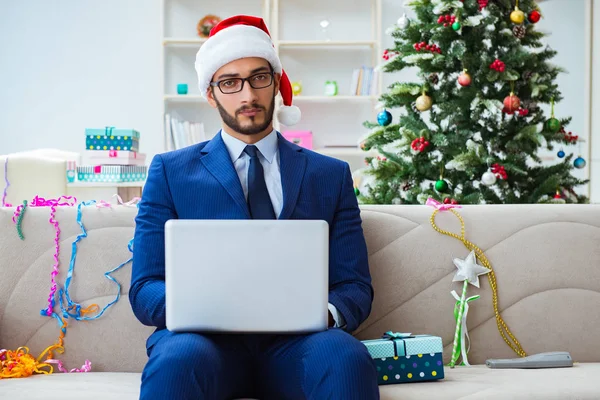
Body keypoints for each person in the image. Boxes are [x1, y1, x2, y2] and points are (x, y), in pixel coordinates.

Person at [129, 14, 379, 400]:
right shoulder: (170, 172)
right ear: (211, 94)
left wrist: (320, 314)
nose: (248, 96)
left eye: (259, 78)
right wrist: (194, 308)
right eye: (230, 82)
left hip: (299, 345)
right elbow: (145, 287)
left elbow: (354, 286)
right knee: (177, 360)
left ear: (276, 84)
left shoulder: (329, 175)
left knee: (345, 357)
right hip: (205, 343)